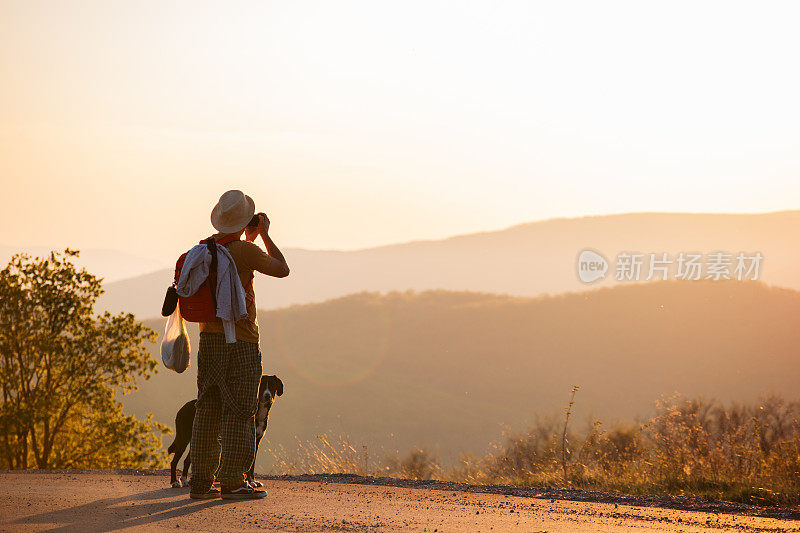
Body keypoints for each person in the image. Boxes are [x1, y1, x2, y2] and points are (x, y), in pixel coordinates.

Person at [189, 189, 290, 500]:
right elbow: (281, 268)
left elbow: (231, 266)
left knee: (207, 408)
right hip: (242, 340)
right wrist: (265, 235)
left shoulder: (205, 248)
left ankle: (201, 482)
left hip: (209, 339)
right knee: (240, 409)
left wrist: (250, 238)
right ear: (246, 220)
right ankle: (233, 480)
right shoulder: (245, 251)